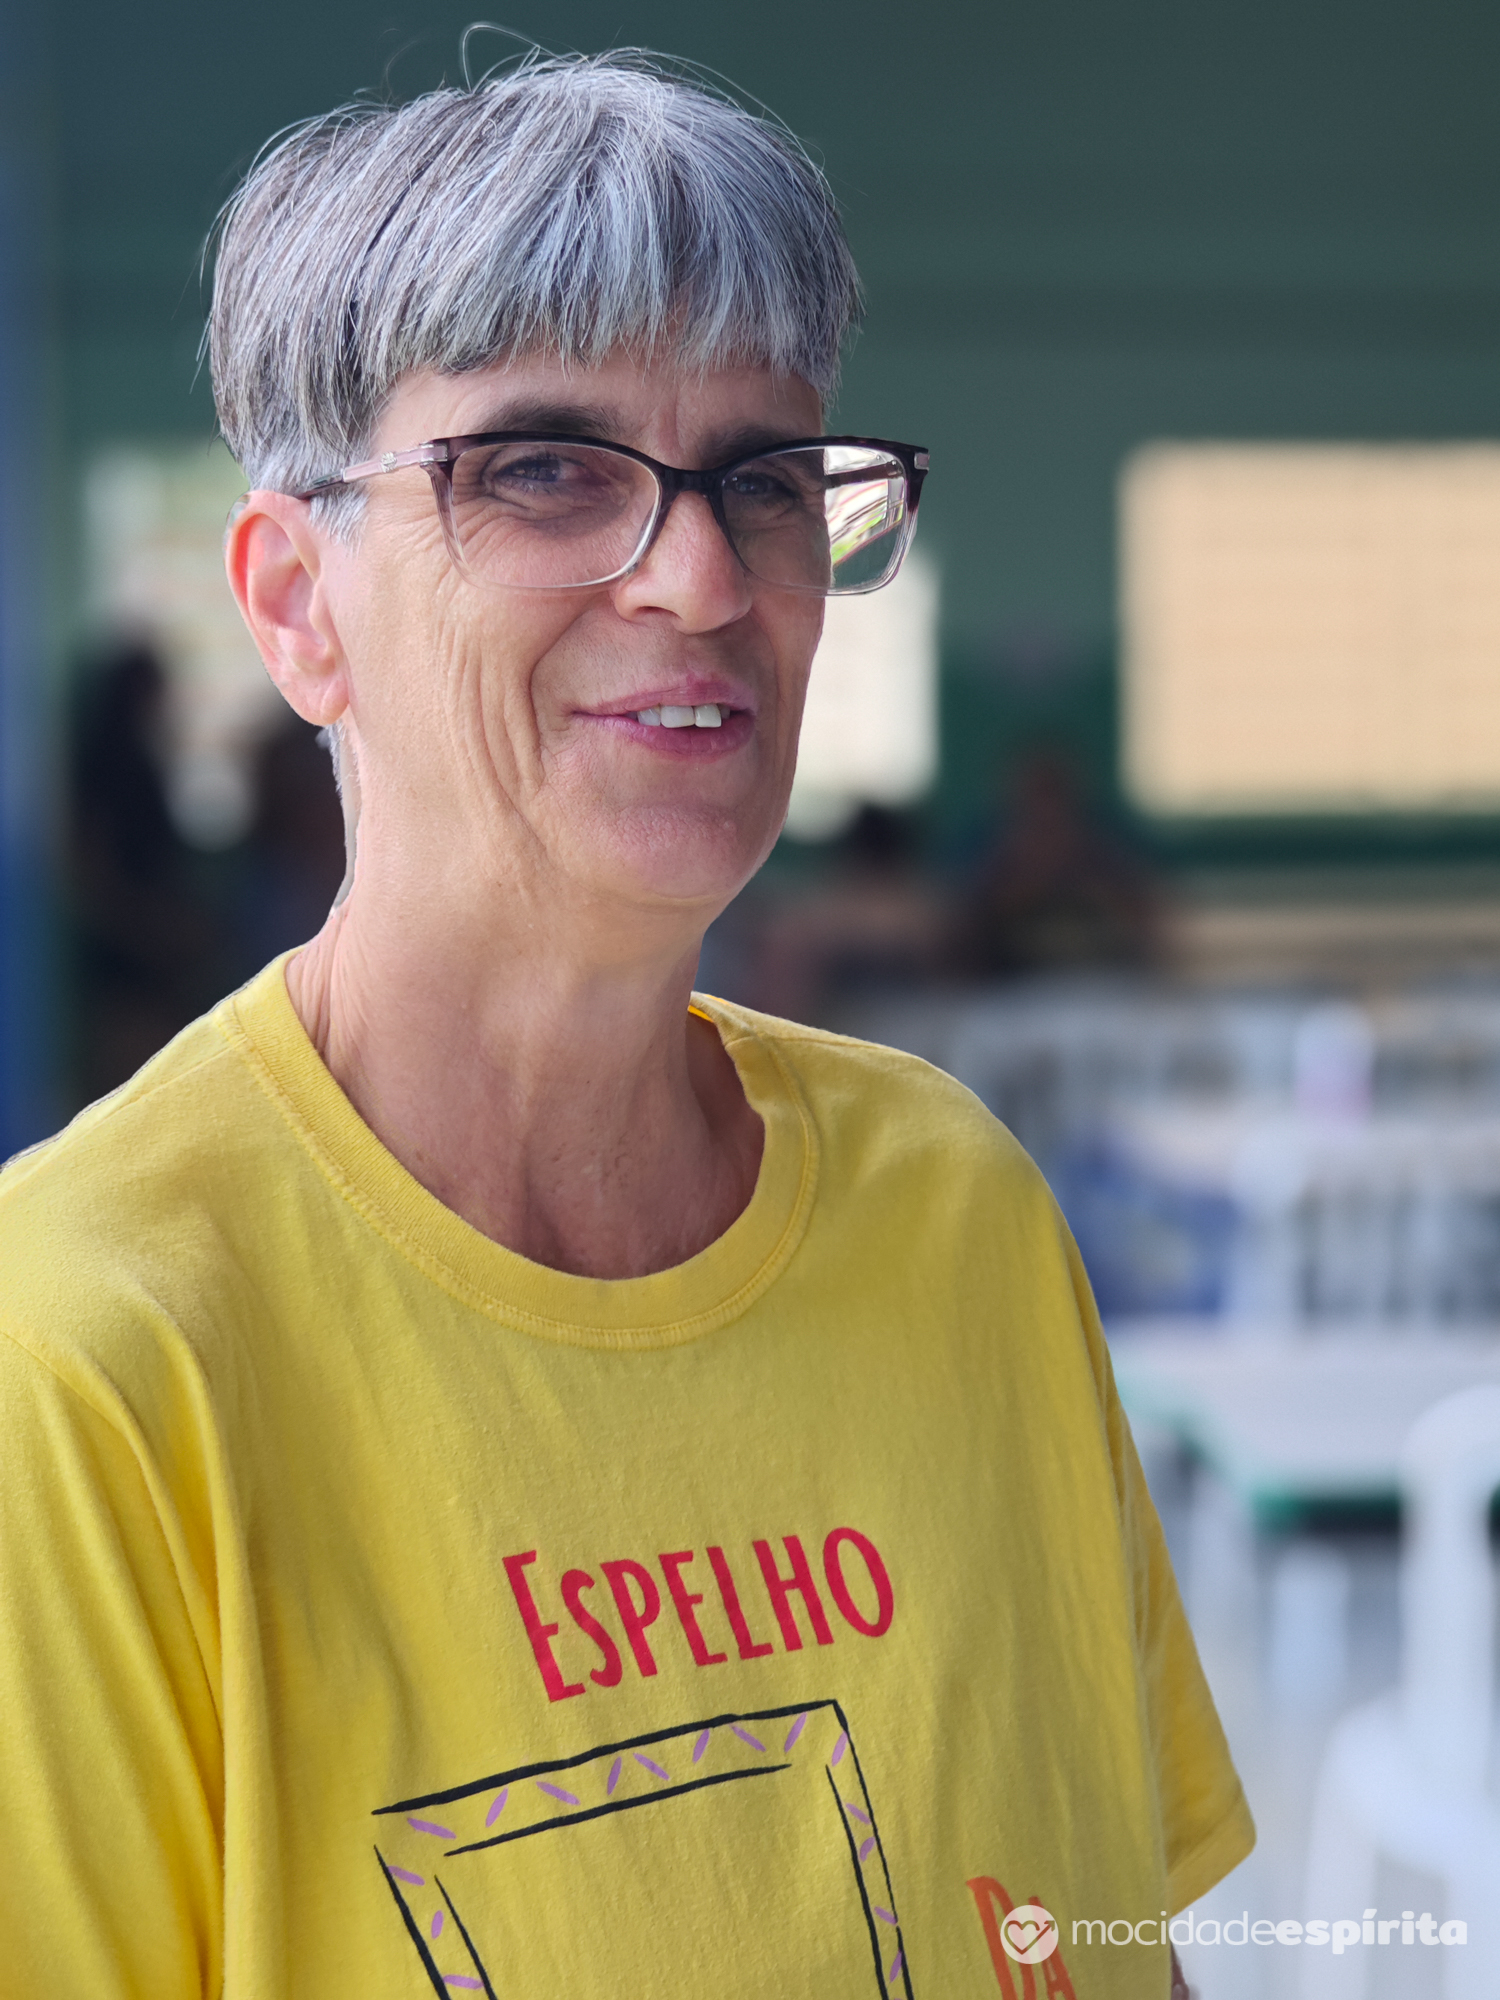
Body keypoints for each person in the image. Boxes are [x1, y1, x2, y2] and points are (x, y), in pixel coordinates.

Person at [0, 52, 1249, 1999]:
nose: (702, 574)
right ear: (299, 602)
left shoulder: (961, 1218)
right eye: (540, 468)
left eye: (766, 478)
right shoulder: (88, 1359)